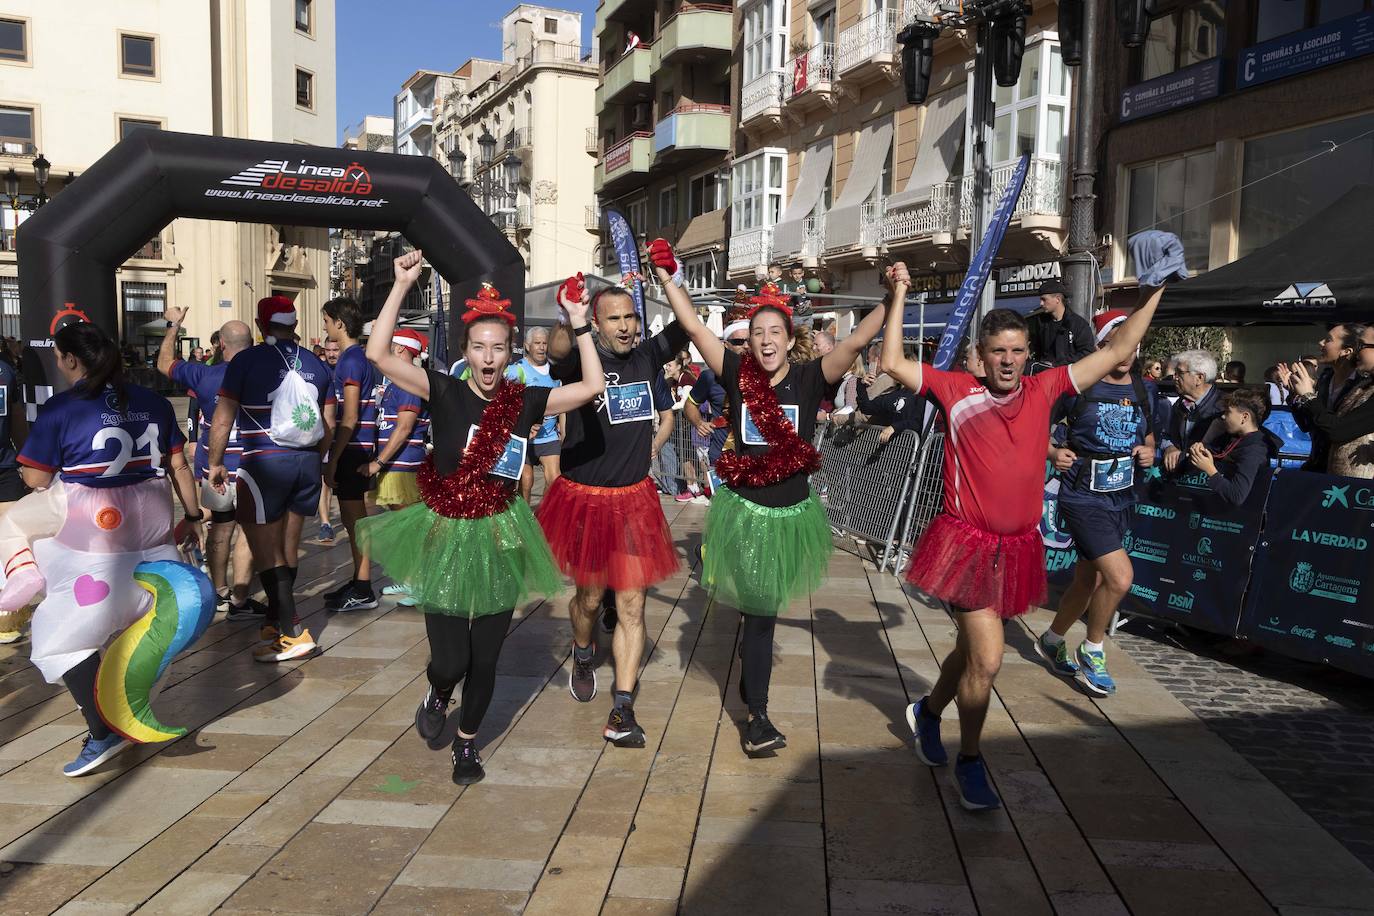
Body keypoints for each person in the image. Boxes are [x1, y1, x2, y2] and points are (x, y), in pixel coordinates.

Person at [881, 268, 1168, 810]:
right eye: (997, 351)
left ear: (1027, 353)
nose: (1007, 360)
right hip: (964, 546)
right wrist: (898, 295)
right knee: (988, 661)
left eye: (1015, 350)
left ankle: (927, 712)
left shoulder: (1048, 387)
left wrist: (1156, 292)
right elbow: (892, 362)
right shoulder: (956, 390)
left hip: (1016, 551)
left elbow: (1122, 346)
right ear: (982, 356)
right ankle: (970, 761)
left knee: (971, 651)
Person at [358, 251, 606, 784]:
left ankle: (467, 745)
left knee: (487, 657)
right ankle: (438, 689)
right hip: (446, 533)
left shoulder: (524, 401)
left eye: (498, 348)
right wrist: (402, 285)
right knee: (451, 660)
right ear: (465, 351)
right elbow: (378, 353)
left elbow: (590, 389)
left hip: (500, 531)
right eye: (479, 347)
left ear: (510, 351)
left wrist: (580, 323)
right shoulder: (442, 391)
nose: (489, 358)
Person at [651, 239, 898, 754]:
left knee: (760, 609)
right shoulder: (738, 375)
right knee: (761, 612)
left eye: (774, 333)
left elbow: (854, 346)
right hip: (745, 513)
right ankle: (758, 717)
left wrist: (893, 295)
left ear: (790, 339)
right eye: (758, 333)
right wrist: (670, 277)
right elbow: (695, 328)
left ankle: (751, 682)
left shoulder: (810, 380)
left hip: (791, 516)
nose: (765, 341)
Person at [11, 322, 201, 775]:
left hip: (92, 550)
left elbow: (36, 479)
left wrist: (27, 474)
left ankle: (104, 731)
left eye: (60, 357)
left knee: (58, 639)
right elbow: (178, 463)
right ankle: (126, 712)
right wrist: (193, 517)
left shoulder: (63, 408)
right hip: (155, 543)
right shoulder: (153, 402)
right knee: (139, 630)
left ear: (71, 360)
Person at [537, 273, 688, 749]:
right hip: (585, 499)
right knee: (587, 599)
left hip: (634, 499)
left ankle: (623, 707)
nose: (624, 327)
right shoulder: (582, 357)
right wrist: (572, 314)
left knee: (632, 603)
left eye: (630, 318)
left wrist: (673, 280)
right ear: (598, 324)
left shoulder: (647, 356)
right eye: (614, 319)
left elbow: (685, 328)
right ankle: (583, 651)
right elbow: (559, 350)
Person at [208, 296, 333, 663]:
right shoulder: (316, 364)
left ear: (262, 326)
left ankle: (294, 632)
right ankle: (276, 623)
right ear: (294, 324)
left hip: (263, 463)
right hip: (306, 464)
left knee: (266, 553)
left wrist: (216, 462)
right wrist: (319, 462)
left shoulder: (246, 361)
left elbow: (222, 417)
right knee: (288, 547)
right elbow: (326, 424)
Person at [1038, 310, 1157, 696]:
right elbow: (1032, 428)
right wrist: (1053, 452)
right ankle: (1092, 651)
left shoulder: (1143, 389)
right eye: (1116, 341)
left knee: (1088, 580)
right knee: (1119, 577)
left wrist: (1148, 451)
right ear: (1104, 344)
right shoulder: (1079, 385)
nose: (1125, 352)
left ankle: (1053, 639)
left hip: (1122, 496)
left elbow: (1152, 436)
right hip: (1081, 494)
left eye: (1132, 343)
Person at [157, 308, 263, 620]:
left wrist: (174, 325)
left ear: (221, 346)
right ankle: (241, 599)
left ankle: (219, 593)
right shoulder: (262, 375)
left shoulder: (204, 374)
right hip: (252, 466)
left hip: (216, 468)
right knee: (249, 530)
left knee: (220, 525)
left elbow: (163, 363)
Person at [320, 297, 382, 612]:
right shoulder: (355, 358)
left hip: (353, 449)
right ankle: (358, 580)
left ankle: (364, 586)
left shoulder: (350, 361)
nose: (325, 327)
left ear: (340, 323)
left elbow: (350, 416)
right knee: (350, 520)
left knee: (356, 522)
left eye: (327, 321)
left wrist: (333, 458)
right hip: (355, 448)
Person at [371, 329, 430, 606]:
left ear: (400, 349)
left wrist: (379, 461)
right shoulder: (398, 380)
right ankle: (409, 580)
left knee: (409, 529)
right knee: (403, 527)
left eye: (391, 345)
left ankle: (419, 584)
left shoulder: (408, 382)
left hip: (403, 466)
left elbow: (405, 426)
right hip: (396, 465)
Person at [1282, 323, 1374, 479]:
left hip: (1349, 483)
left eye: (1328, 339)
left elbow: (1338, 430)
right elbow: (1310, 425)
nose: (1321, 343)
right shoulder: (1325, 378)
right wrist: (1295, 395)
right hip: (1317, 470)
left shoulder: (1364, 386)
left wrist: (1309, 396)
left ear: (1346, 351)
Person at [1188, 389, 1281, 503]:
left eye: (1228, 412)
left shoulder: (1254, 450)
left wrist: (1210, 470)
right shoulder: (1231, 437)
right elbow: (1213, 451)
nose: (1223, 416)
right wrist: (1200, 450)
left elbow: (1237, 496)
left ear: (1244, 417)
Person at [506, 325, 562, 504]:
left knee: (554, 480)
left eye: (545, 343)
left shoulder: (556, 370)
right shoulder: (516, 371)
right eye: (537, 343)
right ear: (527, 346)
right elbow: (505, 402)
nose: (541, 347)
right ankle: (525, 520)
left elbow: (563, 401)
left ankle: (544, 516)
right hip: (524, 436)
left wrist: (563, 426)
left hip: (549, 435)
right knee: (526, 481)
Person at [0, 349, 29, 644]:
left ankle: (8, 614)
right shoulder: (6, 370)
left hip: (5, 468)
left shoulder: (6, 372)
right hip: (7, 466)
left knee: (12, 540)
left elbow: (17, 418)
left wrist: (25, 460)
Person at [1161, 350, 1224, 473]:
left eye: (1180, 373)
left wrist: (1183, 457)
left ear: (1199, 378)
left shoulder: (1223, 409)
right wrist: (1169, 447)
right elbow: (1165, 435)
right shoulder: (1179, 405)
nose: (1175, 377)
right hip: (1179, 480)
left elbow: (1215, 450)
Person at [1027, 279, 1094, 369]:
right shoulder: (1041, 322)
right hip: (1044, 375)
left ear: (1057, 299)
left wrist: (1058, 364)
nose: (1041, 303)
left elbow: (1087, 353)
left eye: (1044, 299)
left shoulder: (1078, 324)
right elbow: (1036, 348)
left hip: (1068, 376)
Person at [315, 338, 340, 541]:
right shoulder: (321, 371)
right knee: (324, 479)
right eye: (328, 350)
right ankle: (325, 522)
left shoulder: (348, 369)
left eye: (336, 350)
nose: (332, 353)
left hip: (346, 434)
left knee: (332, 480)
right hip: (324, 432)